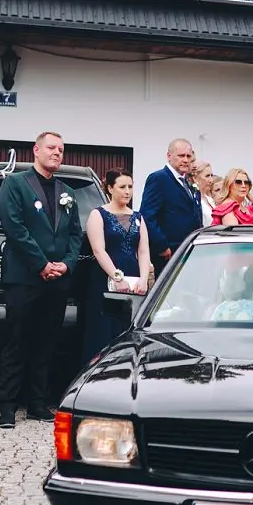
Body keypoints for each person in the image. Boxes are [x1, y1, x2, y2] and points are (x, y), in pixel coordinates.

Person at [0, 131, 82, 429]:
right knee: (17, 341)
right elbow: (15, 228)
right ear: (36, 150)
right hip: (25, 278)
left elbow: (75, 235)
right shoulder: (15, 184)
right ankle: (7, 406)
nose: (57, 153)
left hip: (57, 280)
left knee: (47, 342)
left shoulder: (67, 191)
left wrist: (67, 265)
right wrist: (41, 264)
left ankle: (37, 403)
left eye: (61, 149)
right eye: (51, 148)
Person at [82, 169, 151, 363]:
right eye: (122, 187)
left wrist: (144, 279)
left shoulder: (138, 216)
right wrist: (116, 277)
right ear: (110, 188)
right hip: (106, 278)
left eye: (130, 186)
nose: (127, 191)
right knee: (104, 328)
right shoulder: (98, 215)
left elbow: (144, 251)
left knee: (130, 328)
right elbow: (98, 250)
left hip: (134, 278)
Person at [141, 138, 201, 278]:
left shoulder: (187, 182)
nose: (186, 160)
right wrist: (162, 246)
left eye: (188, 156)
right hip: (169, 253)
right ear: (169, 156)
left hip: (188, 249)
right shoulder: (158, 178)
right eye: (181, 156)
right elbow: (148, 215)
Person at [190, 160, 217, 227]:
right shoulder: (193, 199)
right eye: (207, 176)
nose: (211, 180)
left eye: (212, 175)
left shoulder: (210, 199)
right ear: (195, 178)